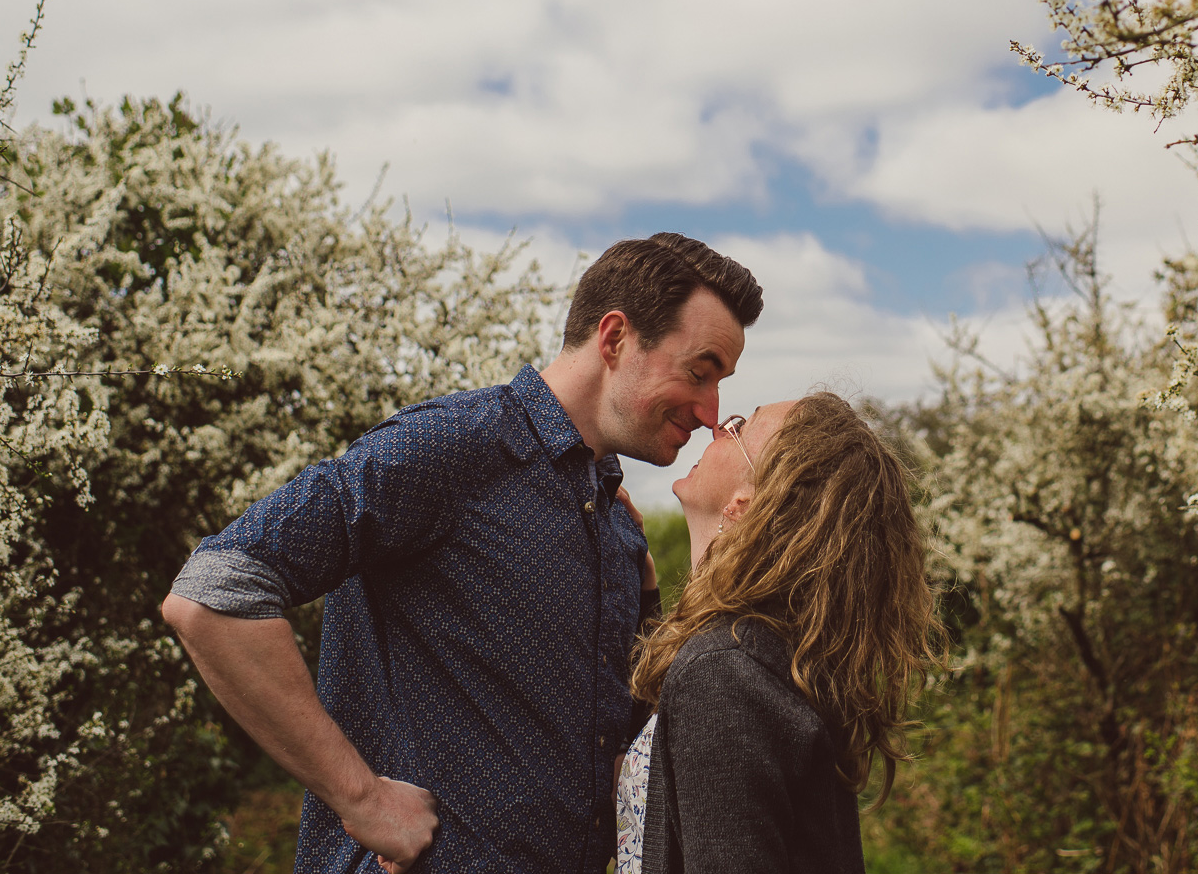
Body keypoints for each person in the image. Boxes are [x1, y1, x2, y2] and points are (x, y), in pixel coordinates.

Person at [161, 233, 762, 874]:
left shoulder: (614, 524)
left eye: (721, 383)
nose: (710, 412)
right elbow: (216, 592)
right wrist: (360, 796)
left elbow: (627, 746)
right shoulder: (453, 446)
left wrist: (646, 588)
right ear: (615, 339)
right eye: (699, 373)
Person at [615, 392, 937, 874]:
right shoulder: (759, 657)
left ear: (744, 505)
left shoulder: (723, 675)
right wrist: (646, 593)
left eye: (741, 428)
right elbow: (671, 756)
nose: (720, 425)